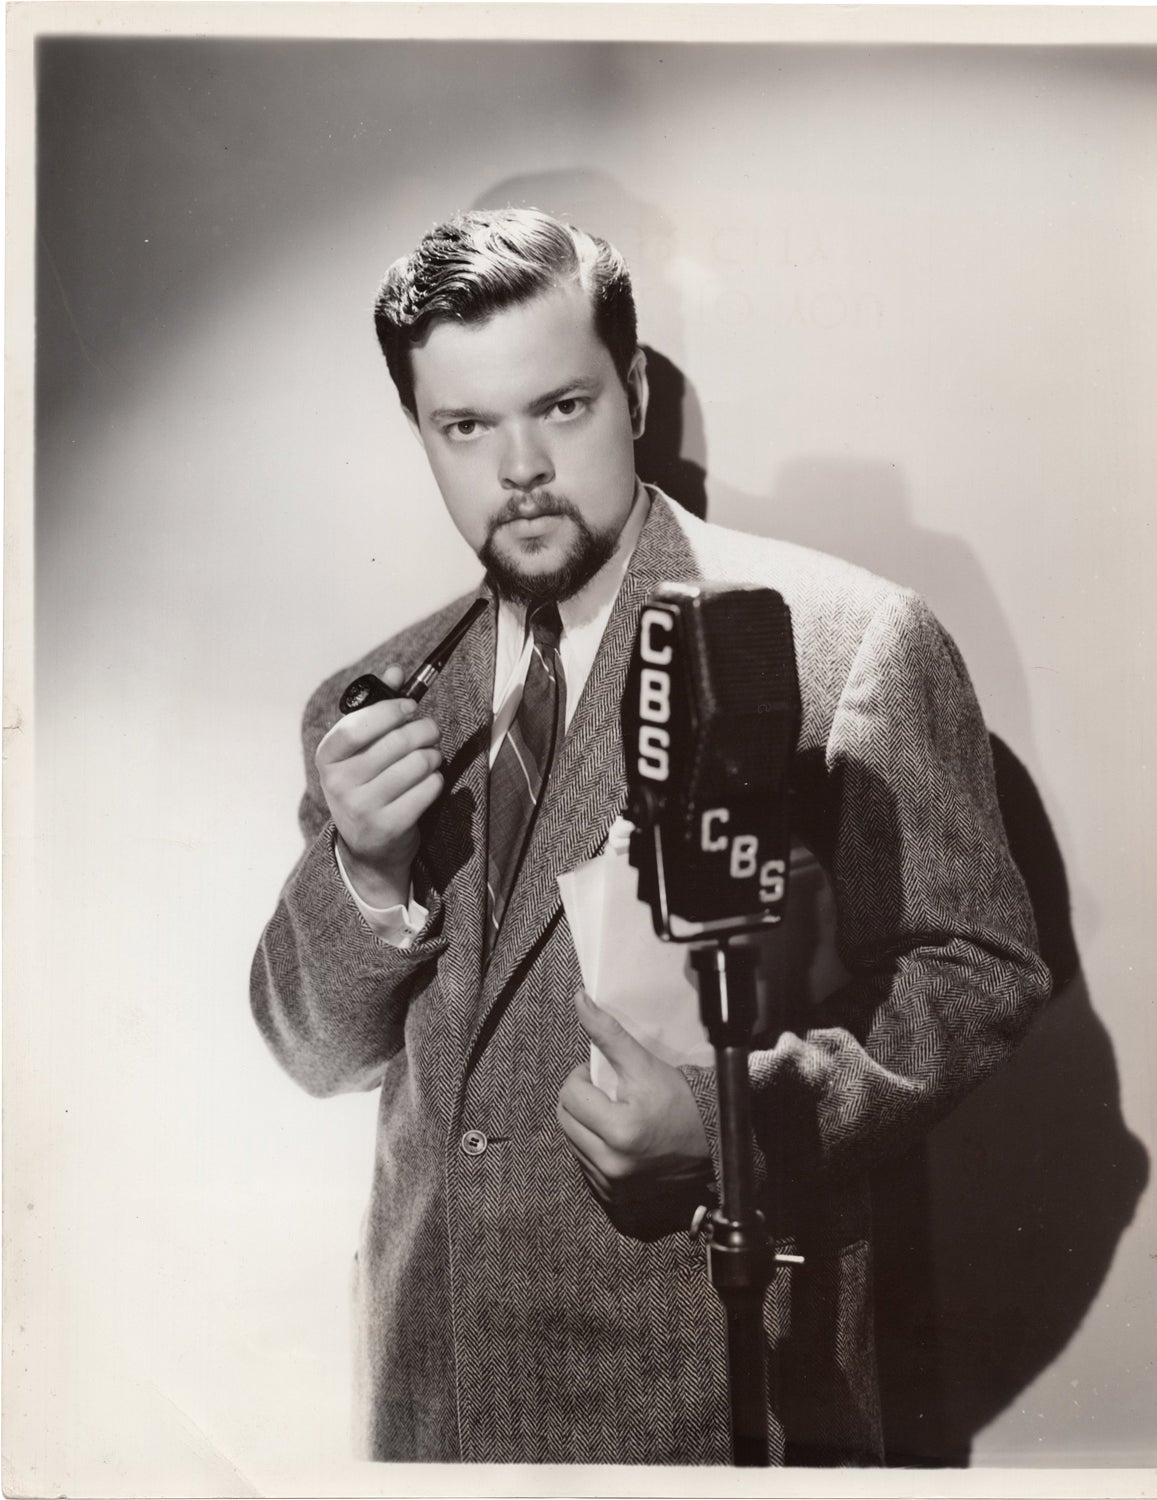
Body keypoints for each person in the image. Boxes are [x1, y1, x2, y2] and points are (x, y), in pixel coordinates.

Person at [251, 208, 1051, 1466]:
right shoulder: (377, 697)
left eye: (560, 408)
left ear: (629, 393)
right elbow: (318, 1055)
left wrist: (739, 1126)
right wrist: (361, 870)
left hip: (706, 1391)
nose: (518, 467)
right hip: (436, 1406)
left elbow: (978, 974)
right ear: (422, 431)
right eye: (466, 426)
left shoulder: (845, 638)